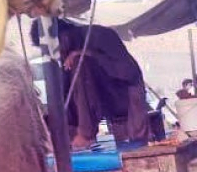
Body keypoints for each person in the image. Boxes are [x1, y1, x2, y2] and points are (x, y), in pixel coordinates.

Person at [37, 19, 150, 149]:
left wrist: (88, 54)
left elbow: (130, 73)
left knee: (79, 62)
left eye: (54, 48)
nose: (55, 53)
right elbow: (65, 93)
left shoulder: (100, 35)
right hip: (101, 100)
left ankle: (86, 134)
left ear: (64, 36)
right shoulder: (63, 55)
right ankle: (74, 136)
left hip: (125, 98)